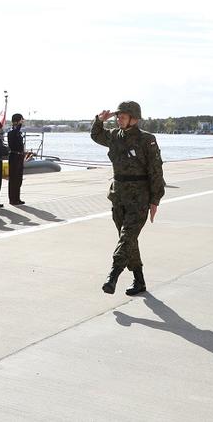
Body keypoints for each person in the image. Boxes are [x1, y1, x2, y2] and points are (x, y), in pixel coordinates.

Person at [90, 101, 165, 297]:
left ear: (134, 119)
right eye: (118, 116)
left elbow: (155, 170)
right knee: (128, 240)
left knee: (127, 237)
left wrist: (155, 199)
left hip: (139, 197)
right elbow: (96, 135)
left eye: (123, 116)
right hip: (119, 196)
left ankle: (113, 275)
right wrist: (99, 121)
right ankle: (139, 280)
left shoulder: (146, 140)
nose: (118, 119)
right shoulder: (114, 136)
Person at [7, 113, 27, 205]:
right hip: (14, 156)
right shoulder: (12, 131)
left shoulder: (18, 132)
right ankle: (12, 199)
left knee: (19, 179)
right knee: (14, 178)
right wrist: (19, 124)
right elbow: (15, 134)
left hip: (19, 156)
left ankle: (17, 198)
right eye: (21, 119)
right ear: (17, 121)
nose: (23, 121)